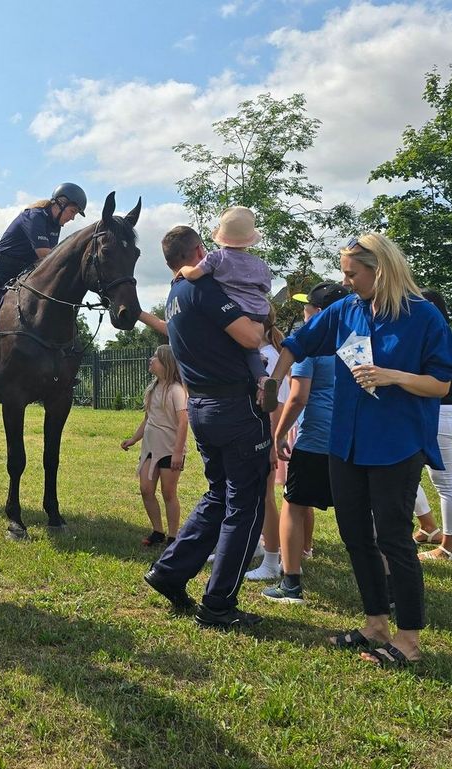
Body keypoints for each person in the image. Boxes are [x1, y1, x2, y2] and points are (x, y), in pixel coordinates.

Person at [266, 233, 452, 665]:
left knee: (393, 538)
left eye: (353, 274)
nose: (346, 281)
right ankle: (375, 623)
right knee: (355, 535)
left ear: (381, 269)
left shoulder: (423, 317)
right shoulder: (345, 310)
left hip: (396, 444)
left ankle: (408, 640)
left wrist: (393, 376)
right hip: (346, 443)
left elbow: (442, 382)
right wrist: (273, 381)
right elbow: (297, 343)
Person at [142, 225, 273, 630]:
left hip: (201, 405)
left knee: (218, 495)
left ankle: (169, 571)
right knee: (244, 504)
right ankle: (218, 604)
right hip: (234, 406)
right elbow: (251, 337)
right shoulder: (205, 289)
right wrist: (266, 326)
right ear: (199, 250)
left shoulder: (175, 294)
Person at [260, 281, 349, 604]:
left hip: (316, 437)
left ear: (320, 313)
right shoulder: (359, 340)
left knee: (294, 506)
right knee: (363, 515)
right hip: (350, 438)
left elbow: (297, 397)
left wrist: (280, 433)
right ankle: (385, 587)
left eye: (308, 306)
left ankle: (291, 583)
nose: (303, 311)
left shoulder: (311, 346)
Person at [0, 183, 87, 382]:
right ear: (60, 203)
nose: (72, 217)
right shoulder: (34, 216)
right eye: (72, 211)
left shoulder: (55, 226)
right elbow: (46, 258)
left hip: (23, 276)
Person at [175, 206, 272, 386]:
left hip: (237, 311)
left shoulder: (216, 258)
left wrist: (183, 269)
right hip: (259, 312)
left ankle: (261, 378)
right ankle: (262, 375)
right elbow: (265, 287)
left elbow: (194, 274)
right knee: (250, 347)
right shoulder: (260, 264)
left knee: (238, 344)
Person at [411, 289, 452, 562]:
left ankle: (450, 546)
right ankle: (428, 528)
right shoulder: (442, 333)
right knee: (405, 474)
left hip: (439, 413)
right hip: (436, 413)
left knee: (445, 483)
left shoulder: (438, 335)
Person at [121, 344, 189, 547]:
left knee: (169, 493)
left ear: (166, 364)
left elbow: (184, 421)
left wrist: (178, 452)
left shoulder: (177, 390)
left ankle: (173, 536)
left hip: (170, 450)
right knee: (146, 489)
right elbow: (148, 419)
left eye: (156, 358)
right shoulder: (153, 388)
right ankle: (158, 531)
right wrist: (134, 439)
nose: (151, 360)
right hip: (150, 449)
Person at [245, 303, 290, 581]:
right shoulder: (259, 354)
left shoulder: (271, 356)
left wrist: (273, 442)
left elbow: (279, 403)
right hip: (251, 434)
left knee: (265, 497)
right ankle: (253, 547)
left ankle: (272, 561)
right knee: (252, 496)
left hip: (265, 435)